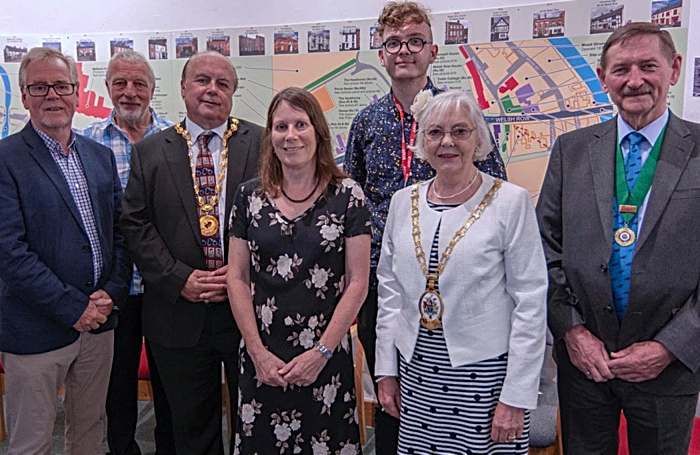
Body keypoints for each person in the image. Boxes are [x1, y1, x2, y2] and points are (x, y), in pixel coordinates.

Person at [343, 3, 507, 451]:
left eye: (415, 41)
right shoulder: (366, 123)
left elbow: (495, 193)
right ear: (381, 53)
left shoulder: (461, 115)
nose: (404, 51)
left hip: (460, 283)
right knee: (391, 394)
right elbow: (351, 206)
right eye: (393, 43)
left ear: (433, 51)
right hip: (388, 285)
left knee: (456, 398)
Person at [536, 22, 700, 454]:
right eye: (621, 69)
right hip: (586, 364)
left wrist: (670, 345)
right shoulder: (571, 151)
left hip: (669, 367)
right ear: (602, 76)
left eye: (648, 66)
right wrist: (572, 332)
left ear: (674, 68)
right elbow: (544, 249)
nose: (634, 80)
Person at [374, 89, 547, 454]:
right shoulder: (402, 202)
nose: (447, 142)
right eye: (435, 132)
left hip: (484, 380)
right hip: (417, 374)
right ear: (422, 141)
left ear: (478, 139)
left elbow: (530, 303)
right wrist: (386, 370)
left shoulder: (509, 202)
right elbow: (389, 292)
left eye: (460, 131)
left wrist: (516, 395)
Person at [120, 51, 262, 455]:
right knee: (190, 430)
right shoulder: (149, 151)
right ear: (183, 88)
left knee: (254, 423)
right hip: (177, 314)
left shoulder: (263, 142)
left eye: (222, 83)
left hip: (247, 312)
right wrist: (178, 278)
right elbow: (135, 223)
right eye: (202, 80)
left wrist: (240, 276)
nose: (211, 90)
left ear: (233, 93)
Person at [0, 47, 131, 454]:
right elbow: (9, 253)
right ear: (24, 96)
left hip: (99, 325)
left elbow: (121, 233)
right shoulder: (5, 160)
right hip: (35, 328)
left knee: (89, 434)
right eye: (39, 87)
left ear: (77, 93)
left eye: (61, 86)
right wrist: (74, 307)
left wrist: (112, 291)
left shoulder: (100, 157)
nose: (51, 95)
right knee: (32, 442)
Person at [227, 87, 371, 454]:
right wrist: (257, 353)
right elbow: (237, 278)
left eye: (300, 124)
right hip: (263, 358)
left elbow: (358, 282)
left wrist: (319, 354)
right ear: (270, 137)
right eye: (280, 126)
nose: (290, 135)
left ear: (317, 132)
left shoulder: (348, 196)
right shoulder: (248, 197)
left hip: (325, 358)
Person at [79, 50, 175, 455]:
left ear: (154, 89)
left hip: (167, 288)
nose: (130, 92)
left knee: (172, 385)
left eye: (139, 84)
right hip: (113, 291)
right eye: (120, 83)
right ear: (108, 89)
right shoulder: (87, 145)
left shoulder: (177, 140)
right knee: (115, 389)